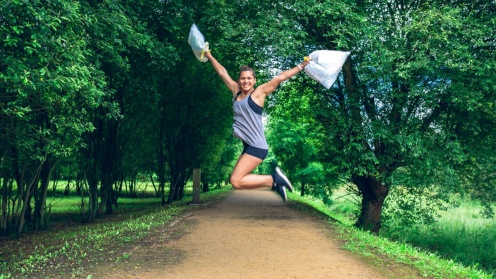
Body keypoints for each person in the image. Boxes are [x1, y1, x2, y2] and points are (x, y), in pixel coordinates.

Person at [203, 50, 310, 202]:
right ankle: (276, 183)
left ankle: (274, 180)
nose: (245, 81)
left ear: (254, 80)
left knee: (235, 181)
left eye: (249, 78)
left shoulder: (258, 93)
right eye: (242, 78)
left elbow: (280, 77)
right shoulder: (235, 91)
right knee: (237, 181)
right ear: (238, 80)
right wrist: (210, 56)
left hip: (257, 146)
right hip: (248, 145)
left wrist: (302, 66)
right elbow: (222, 72)